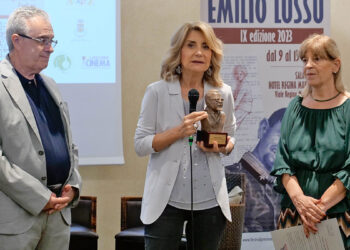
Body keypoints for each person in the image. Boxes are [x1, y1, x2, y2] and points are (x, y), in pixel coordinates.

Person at [134, 21, 236, 250]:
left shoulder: (223, 93)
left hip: (210, 201)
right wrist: (177, 132)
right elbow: (140, 144)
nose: (199, 52)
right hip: (165, 201)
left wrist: (221, 147)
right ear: (179, 51)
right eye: (191, 45)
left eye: (205, 46)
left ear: (212, 54)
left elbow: (231, 139)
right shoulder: (157, 92)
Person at [0, 6, 81, 250]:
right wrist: (39, 197)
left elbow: (69, 145)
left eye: (51, 40)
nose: (51, 48)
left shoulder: (51, 85)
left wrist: (73, 188)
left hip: (57, 214)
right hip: (17, 219)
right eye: (42, 40)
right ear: (17, 41)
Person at [271, 34, 350, 249]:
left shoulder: (348, 108)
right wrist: (300, 202)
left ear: (335, 65)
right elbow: (282, 164)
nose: (308, 65)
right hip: (293, 213)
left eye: (317, 59)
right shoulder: (294, 107)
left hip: (338, 216)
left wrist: (319, 207)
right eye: (304, 60)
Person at [226, 108, 285, 232]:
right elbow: (229, 235)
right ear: (263, 128)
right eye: (283, 134)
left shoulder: (285, 187)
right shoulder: (231, 177)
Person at [231, 65, 252, 129]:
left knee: (232, 122)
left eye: (241, 74)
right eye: (237, 74)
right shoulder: (239, 84)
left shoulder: (244, 85)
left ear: (244, 74)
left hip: (244, 107)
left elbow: (238, 100)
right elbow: (233, 96)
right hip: (239, 106)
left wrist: (231, 109)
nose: (238, 76)